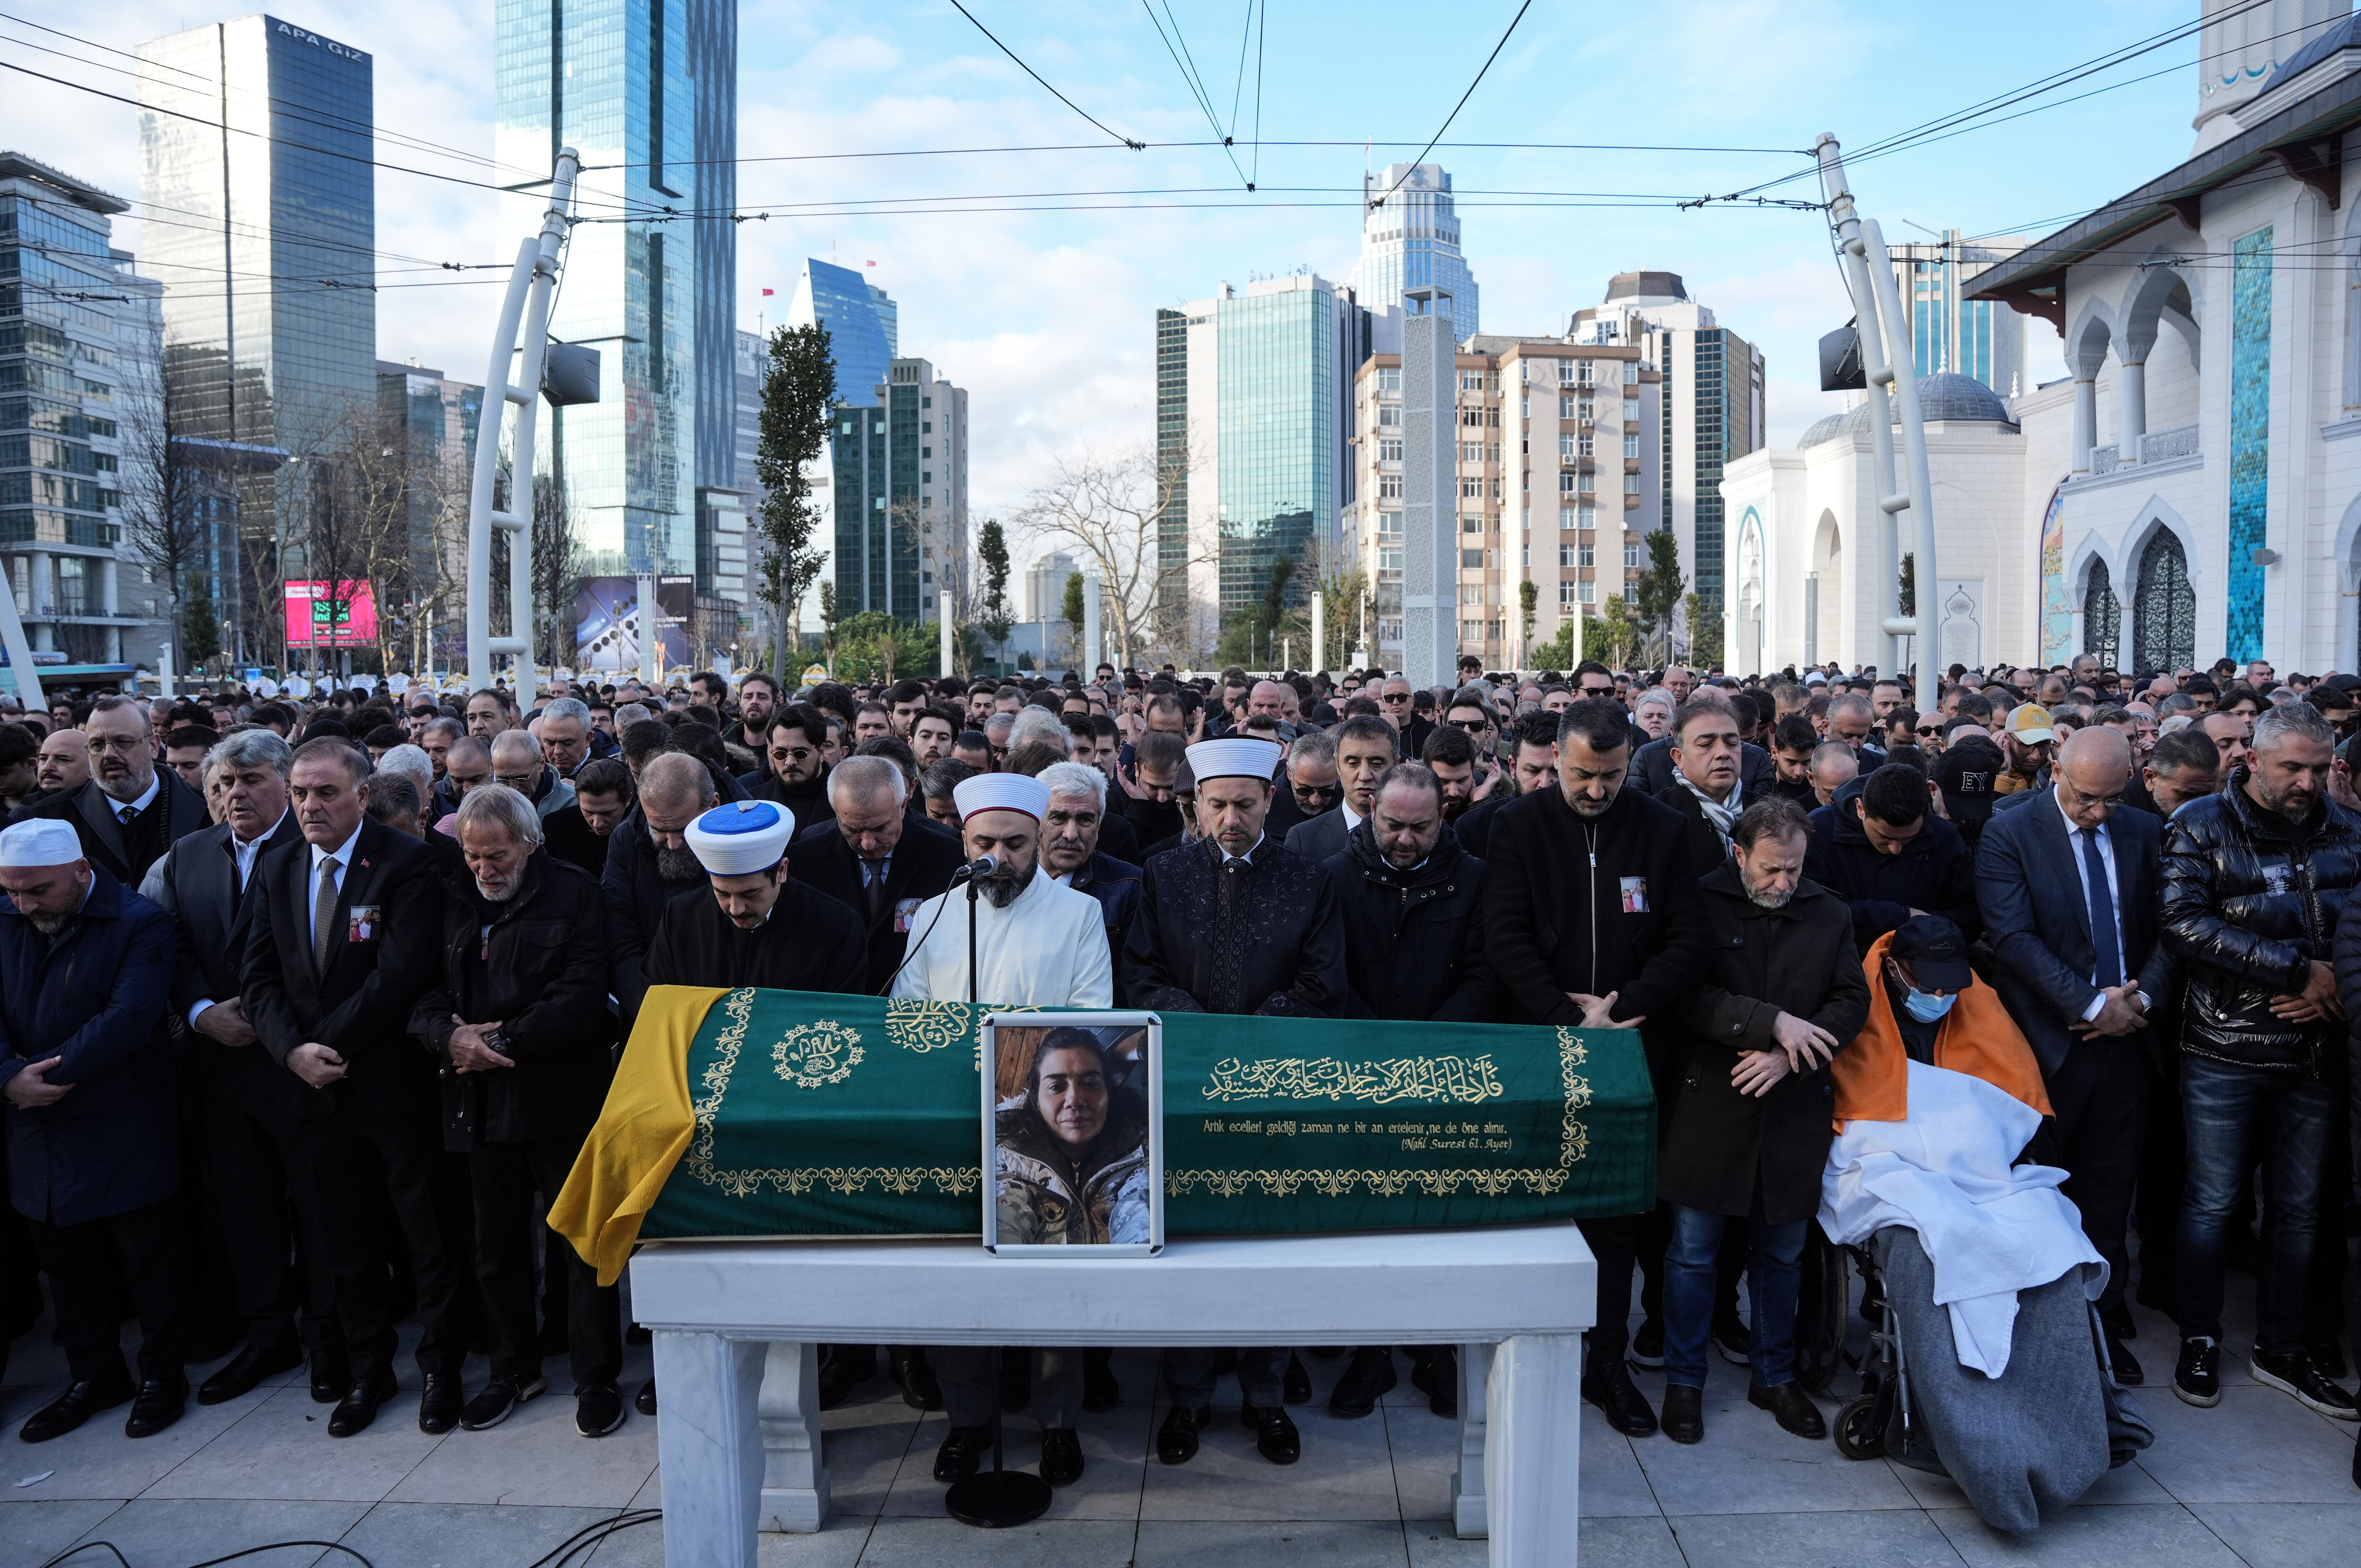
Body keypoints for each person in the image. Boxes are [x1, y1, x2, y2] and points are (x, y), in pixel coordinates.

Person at [1482, 698, 1711, 1437]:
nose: (1596, 789)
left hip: (1629, 1048)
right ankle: (1520, 1347)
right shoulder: (1518, 826)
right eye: (1582, 773)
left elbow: (1686, 938)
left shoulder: (1665, 828)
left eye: (1611, 775)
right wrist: (1564, 1014)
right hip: (1540, 1046)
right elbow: (1506, 934)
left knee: (1615, 1217)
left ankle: (1606, 1359)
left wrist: (1621, 1011)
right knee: (1532, 1206)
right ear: (1558, 757)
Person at [1125, 737, 1347, 1469]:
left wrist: (1250, 1044)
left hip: (1274, 1090)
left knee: (1266, 1245)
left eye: (1244, 804)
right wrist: (1202, 1039)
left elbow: (1323, 984)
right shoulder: (1162, 875)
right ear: (1193, 804)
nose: (1229, 819)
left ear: (1269, 802)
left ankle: (1265, 1394)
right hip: (1183, 1090)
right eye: (1215, 804)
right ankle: (1187, 1396)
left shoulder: (1308, 879)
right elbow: (1142, 975)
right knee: (1189, 1246)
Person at [241, 738, 466, 1440]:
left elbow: (397, 974)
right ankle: (371, 1370)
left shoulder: (409, 862)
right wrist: (290, 1050)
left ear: (362, 795)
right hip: (313, 1094)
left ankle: (441, 1368)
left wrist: (325, 1043)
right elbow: (257, 976)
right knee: (346, 1244)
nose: (311, 806)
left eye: (327, 792)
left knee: (427, 1237)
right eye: (303, 792)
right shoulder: (276, 866)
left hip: (393, 1090)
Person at [894, 772, 1113, 1492]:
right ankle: (969, 1420)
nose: (1000, 857)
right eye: (984, 843)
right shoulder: (933, 913)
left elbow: (1094, 1016)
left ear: (1040, 839)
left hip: (1045, 1129)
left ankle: (1058, 1423)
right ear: (964, 840)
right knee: (962, 1282)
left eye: (1016, 844)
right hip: (955, 1121)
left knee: (1053, 1274)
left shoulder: (1079, 914)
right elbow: (909, 1017)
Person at [2161, 702, 2361, 1417]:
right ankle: (2201, 1335)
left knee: (2301, 1208)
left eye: (2317, 766)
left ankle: (2284, 1345)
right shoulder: (2200, 824)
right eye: (2292, 767)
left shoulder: (2349, 828)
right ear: (2253, 761)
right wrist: (2294, 971)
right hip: (2226, 1044)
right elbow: (2185, 922)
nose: (2307, 780)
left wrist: (2329, 987)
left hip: (2317, 1044)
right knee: (2212, 1202)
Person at [410, 785, 625, 1437]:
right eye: (474, 855)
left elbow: (582, 992)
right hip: (475, 1101)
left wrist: (498, 1042)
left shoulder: (576, 891)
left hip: (557, 1095)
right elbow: (416, 986)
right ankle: (513, 1369)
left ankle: (596, 1377)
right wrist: (449, 1038)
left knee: (581, 1245)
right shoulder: (448, 891)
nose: (485, 869)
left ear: (529, 845)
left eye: (497, 855)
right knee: (495, 1246)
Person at [1657, 798, 1867, 1444]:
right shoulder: (1698, 902)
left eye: (1794, 870)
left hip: (1793, 1105)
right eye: (1771, 869)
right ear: (1739, 854)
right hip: (1711, 1104)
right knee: (1693, 1253)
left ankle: (1774, 1375)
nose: (1783, 883)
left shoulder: (1828, 911)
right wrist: (1767, 1021)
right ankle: (1683, 1381)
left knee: (1782, 1252)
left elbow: (1850, 998)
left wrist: (1788, 1054)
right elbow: (1683, 992)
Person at [1977, 726, 2171, 1382]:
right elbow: (2012, 937)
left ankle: (2103, 1318)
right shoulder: (2011, 831)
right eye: (2087, 798)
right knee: (2039, 1194)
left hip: (2129, 1044)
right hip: (2047, 1046)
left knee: (2109, 1195)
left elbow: (2172, 930)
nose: (2099, 812)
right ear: (2056, 767)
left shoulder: (2143, 829)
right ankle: (2045, 1327)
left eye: (2112, 798)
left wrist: (2139, 1004)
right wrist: (2092, 1006)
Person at [136, 731, 324, 1410]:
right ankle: (268, 1332)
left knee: (320, 1206)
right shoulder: (187, 857)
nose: (234, 795)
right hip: (221, 1066)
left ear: (283, 783)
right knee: (244, 1211)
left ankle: (330, 1338)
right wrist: (197, 1008)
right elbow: (171, 944)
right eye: (221, 785)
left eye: (249, 780)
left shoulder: (313, 849)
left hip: (301, 1064)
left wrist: (280, 1023)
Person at [1, 818, 188, 1442]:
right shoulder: (5, 918)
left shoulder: (139, 922)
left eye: (39, 891)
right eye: (13, 891)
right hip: (36, 1129)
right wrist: (8, 1077)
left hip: (119, 1117)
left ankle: (163, 1375)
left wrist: (43, 1076)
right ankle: (94, 1376)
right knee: (68, 1265)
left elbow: (128, 1017)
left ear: (82, 872)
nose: (25, 905)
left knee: (147, 1262)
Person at [1316, 761, 1489, 1421]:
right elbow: (1326, 971)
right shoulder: (1334, 876)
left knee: (1438, 1220)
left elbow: (1483, 974)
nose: (1406, 840)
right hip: (1361, 1074)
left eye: (1420, 827)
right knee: (1367, 1221)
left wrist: (1428, 1045)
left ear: (1442, 817)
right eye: (1393, 825)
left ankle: (1436, 1348)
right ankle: (1371, 1349)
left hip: (1445, 1074)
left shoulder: (1472, 878)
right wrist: (1379, 1045)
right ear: (1371, 811)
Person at [787, 756, 965, 998]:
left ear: (903, 806)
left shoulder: (949, 859)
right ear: (836, 813)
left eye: (880, 828)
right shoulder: (805, 861)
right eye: (853, 829)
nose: (868, 843)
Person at [17, 696, 207, 886]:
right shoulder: (48, 818)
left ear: (154, 746)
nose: (108, 754)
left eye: (123, 742)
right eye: (97, 745)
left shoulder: (209, 812)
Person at [1805, 763, 1980, 955]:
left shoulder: (1943, 837)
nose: (1895, 849)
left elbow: (1970, 917)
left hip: (1926, 962)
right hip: (1845, 961)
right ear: (1860, 808)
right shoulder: (1817, 833)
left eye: (1908, 839)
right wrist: (1904, 916)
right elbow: (1814, 914)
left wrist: (1924, 926)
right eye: (1885, 837)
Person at [994, 1028, 1148, 1244]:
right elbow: (1004, 1221)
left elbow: (1141, 1217)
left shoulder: (1142, 1154)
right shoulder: (1007, 1162)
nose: (1074, 1100)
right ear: (1036, 1101)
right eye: (1056, 1087)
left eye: (1090, 1084)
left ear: (1109, 1093)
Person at [600, 753, 716, 1029]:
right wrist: (649, 1008)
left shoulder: (744, 836)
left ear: (713, 806)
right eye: (660, 830)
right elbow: (620, 935)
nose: (673, 844)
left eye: (684, 829)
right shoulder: (626, 839)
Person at [1038, 761, 1142, 1009]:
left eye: (1085, 820)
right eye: (1059, 818)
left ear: (1099, 825)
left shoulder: (1131, 887)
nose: (1071, 834)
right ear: (1036, 820)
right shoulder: (1006, 883)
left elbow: (1131, 983)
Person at [1282, 715, 1396, 863]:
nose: (1364, 776)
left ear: (1396, 765)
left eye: (1376, 764)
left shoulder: (1420, 834)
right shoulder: (1303, 839)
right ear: (1337, 766)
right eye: (1353, 763)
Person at [1656, 696, 1745, 870]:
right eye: (1706, 744)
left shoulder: (1769, 813)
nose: (1723, 753)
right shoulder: (1656, 819)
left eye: (1732, 743)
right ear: (1679, 758)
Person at [749, 705, 834, 829]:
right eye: (780, 754)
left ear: (821, 752)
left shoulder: (848, 802)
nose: (790, 762)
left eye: (800, 753)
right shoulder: (754, 802)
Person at [1264, 729, 1339, 840]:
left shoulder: (1347, 800)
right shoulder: (1265, 805)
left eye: (1326, 791)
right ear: (1290, 771)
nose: (1315, 800)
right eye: (1305, 790)